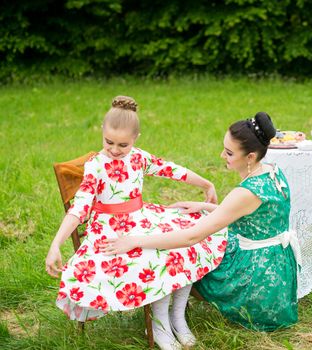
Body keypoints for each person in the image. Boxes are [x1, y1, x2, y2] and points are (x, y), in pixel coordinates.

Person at [45, 96, 228, 350]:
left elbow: (171, 169)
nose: (115, 150)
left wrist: (206, 183)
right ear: (102, 132)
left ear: (136, 138)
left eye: (123, 144)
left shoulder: (138, 158)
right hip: (109, 231)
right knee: (157, 254)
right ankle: (160, 324)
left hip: (140, 218)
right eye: (109, 142)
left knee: (190, 238)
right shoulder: (96, 166)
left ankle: (177, 316)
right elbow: (80, 208)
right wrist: (56, 244)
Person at [102, 112, 299, 332]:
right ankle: (173, 316)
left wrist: (135, 240)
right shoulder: (273, 172)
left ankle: (165, 320)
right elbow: (254, 217)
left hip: (255, 276)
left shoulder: (246, 192)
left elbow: (191, 237)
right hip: (277, 265)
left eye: (229, 152)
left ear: (250, 157)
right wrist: (205, 207)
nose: (222, 155)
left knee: (181, 250)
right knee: (190, 224)